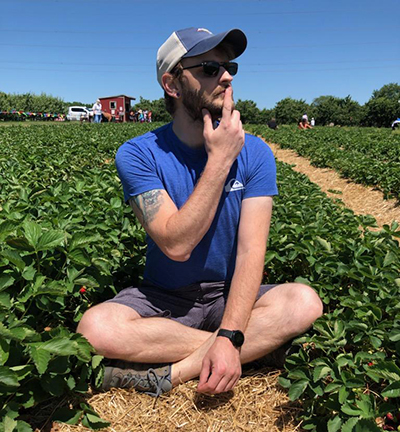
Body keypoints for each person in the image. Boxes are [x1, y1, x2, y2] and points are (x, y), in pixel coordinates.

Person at [77, 26, 323, 398]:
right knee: (95, 329)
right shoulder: (138, 153)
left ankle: (172, 373)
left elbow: (250, 252)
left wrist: (229, 332)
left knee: (304, 302)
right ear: (172, 84)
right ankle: (250, 348)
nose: (225, 76)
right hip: (163, 297)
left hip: (227, 295)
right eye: (209, 68)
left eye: (229, 68)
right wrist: (220, 159)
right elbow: (177, 245)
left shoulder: (256, 153)